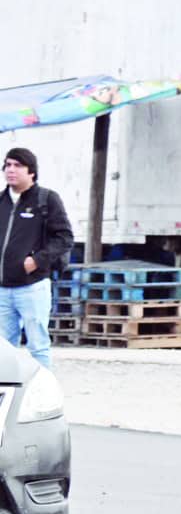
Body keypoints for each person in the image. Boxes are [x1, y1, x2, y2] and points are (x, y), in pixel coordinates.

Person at [0, 148, 75, 367]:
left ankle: (42, 397)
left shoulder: (46, 200)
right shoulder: (1, 202)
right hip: (3, 289)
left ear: (31, 171)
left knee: (38, 346)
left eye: (18, 165)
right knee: (4, 348)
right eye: (7, 165)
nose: (11, 170)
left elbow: (64, 237)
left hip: (32, 287)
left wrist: (37, 260)